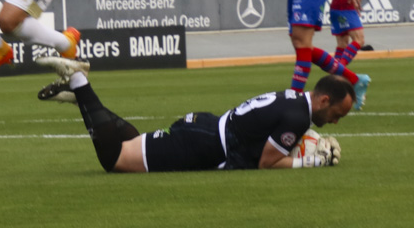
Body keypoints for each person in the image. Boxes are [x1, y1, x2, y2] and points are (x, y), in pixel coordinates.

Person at [35, 57, 351, 172]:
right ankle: (79, 80)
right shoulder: (298, 117)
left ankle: (85, 102)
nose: (337, 120)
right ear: (324, 99)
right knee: (115, 161)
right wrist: (311, 162)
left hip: (208, 128)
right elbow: (268, 162)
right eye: (338, 113)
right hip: (206, 143)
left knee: (133, 141)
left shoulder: (296, 98)